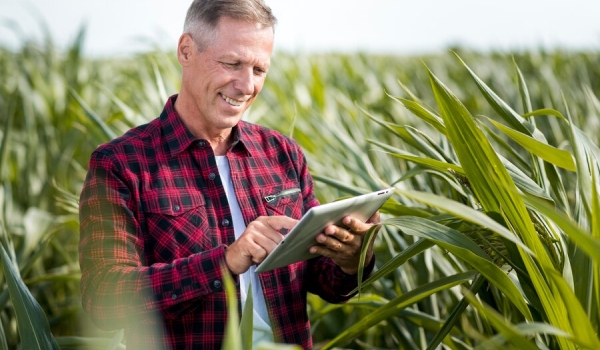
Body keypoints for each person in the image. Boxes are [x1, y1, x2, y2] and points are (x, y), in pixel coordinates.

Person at [78, 0, 379, 349]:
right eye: (232, 64)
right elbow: (104, 299)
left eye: (259, 70)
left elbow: (326, 282)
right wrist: (225, 261)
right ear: (186, 51)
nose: (246, 85)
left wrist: (353, 258)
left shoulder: (282, 154)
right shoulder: (121, 164)